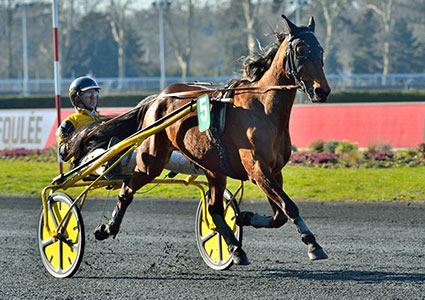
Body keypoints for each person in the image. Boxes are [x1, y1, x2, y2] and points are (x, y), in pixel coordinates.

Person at [56, 76, 105, 162]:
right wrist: (80, 141)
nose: (93, 97)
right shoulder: (70, 122)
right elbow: (62, 153)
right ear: (76, 98)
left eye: (95, 93)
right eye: (88, 93)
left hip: (108, 156)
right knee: (101, 153)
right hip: (84, 162)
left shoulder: (102, 118)